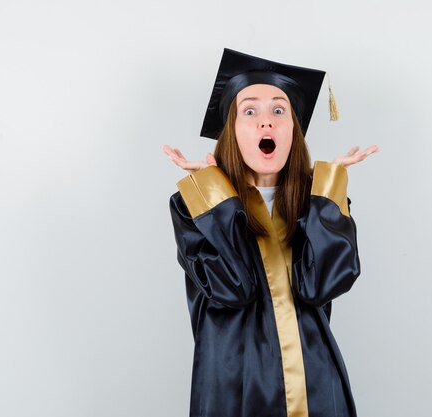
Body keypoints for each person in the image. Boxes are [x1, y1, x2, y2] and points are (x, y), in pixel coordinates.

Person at [162, 48, 378, 417]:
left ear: (293, 129)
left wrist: (328, 193)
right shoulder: (194, 205)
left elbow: (320, 286)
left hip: (316, 386)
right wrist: (214, 192)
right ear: (230, 130)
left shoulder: (317, 201)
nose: (267, 123)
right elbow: (235, 287)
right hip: (234, 390)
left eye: (279, 110)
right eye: (250, 111)